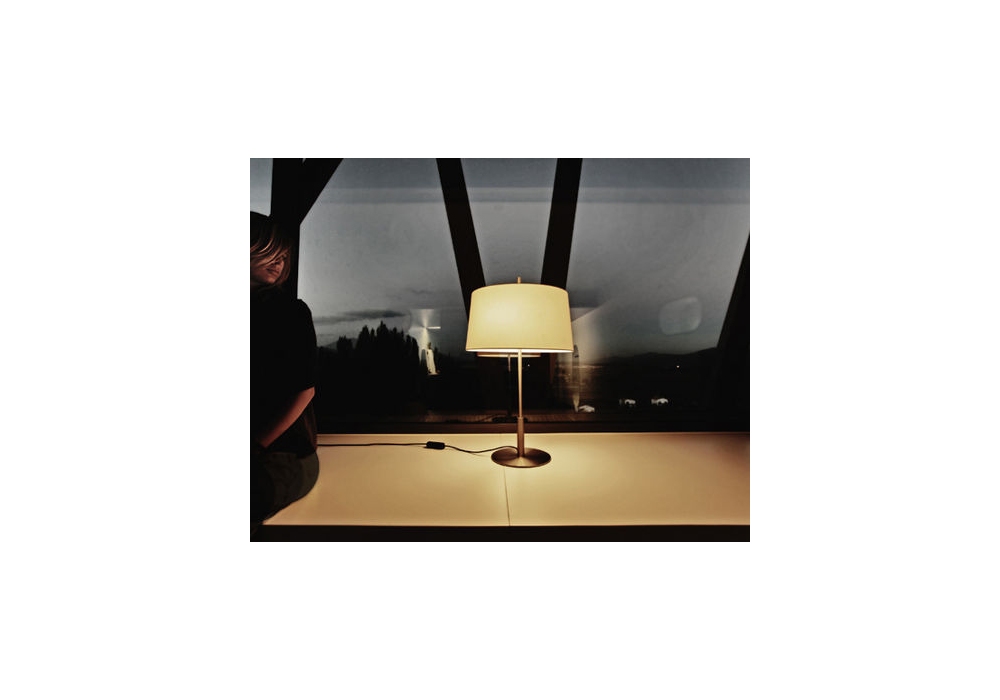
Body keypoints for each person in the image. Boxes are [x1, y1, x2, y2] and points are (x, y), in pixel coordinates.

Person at [250, 212, 320, 534]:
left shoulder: (289, 312)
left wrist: (255, 445)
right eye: (271, 251)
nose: (279, 261)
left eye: (283, 255)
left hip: (286, 453)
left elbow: (304, 391)